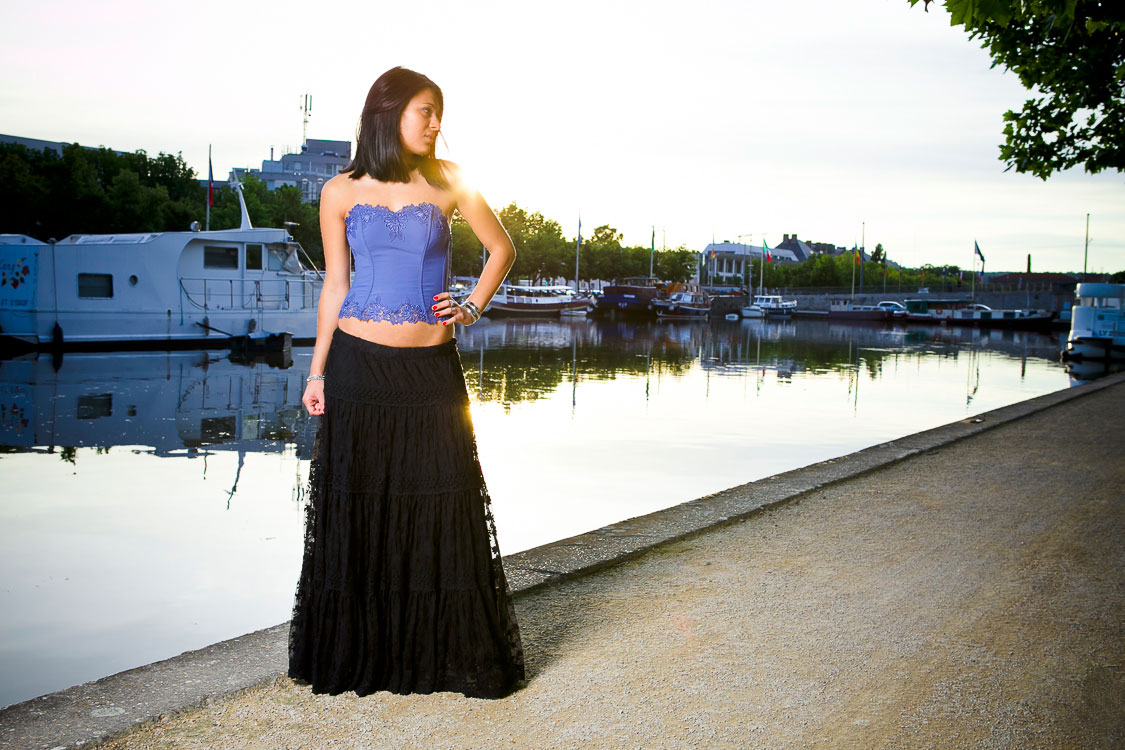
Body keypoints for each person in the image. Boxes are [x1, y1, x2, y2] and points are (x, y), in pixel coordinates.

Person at [287, 67, 525, 699]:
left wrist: (472, 305)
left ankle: (440, 651)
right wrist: (317, 371)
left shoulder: (449, 180)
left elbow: (501, 248)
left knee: (442, 501)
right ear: (389, 112)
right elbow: (334, 286)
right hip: (357, 368)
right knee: (362, 505)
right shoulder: (338, 191)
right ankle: (370, 653)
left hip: (430, 371)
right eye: (425, 110)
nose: (435, 122)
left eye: (439, 112)